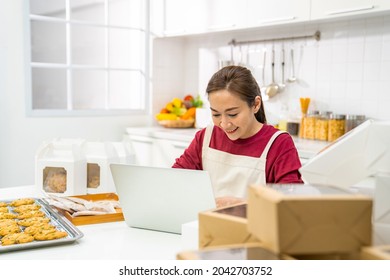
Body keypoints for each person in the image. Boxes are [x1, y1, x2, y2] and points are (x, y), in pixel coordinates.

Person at [172, 65, 303, 208]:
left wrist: (246, 205)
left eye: (233, 114)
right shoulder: (205, 137)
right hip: (208, 226)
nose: (224, 124)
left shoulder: (278, 143)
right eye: (216, 114)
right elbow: (176, 180)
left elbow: (292, 203)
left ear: (255, 104)